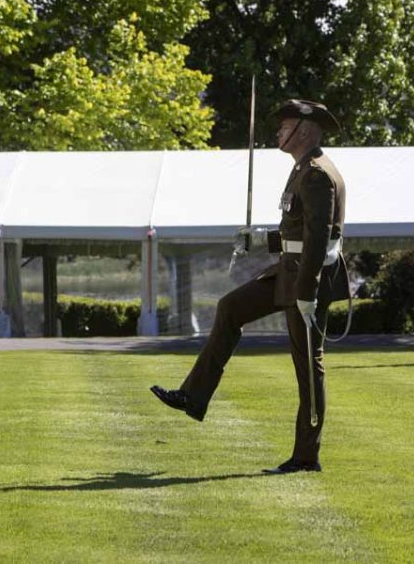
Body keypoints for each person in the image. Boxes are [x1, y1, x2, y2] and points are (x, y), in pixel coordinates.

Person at [150, 99, 350, 474]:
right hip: (290, 270)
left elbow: (319, 239)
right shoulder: (303, 170)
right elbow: (296, 232)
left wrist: (306, 292)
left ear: (303, 131)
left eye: (284, 126)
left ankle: (306, 457)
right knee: (230, 307)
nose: (278, 132)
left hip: (308, 278)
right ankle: (193, 396)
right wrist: (260, 240)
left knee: (308, 367)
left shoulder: (318, 174)